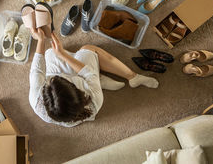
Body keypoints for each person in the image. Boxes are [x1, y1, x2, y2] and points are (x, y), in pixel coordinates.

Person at [29, 28, 159, 127]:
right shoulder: (94, 99)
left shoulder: (36, 101)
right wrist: (62, 54)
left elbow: (37, 70)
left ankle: (98, 78)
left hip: (69, 111)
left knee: (49, 53)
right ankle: (131, 76)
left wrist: (40, 40)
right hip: (87, 84)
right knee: (87, 49)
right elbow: (87, 73)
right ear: (77, 90)